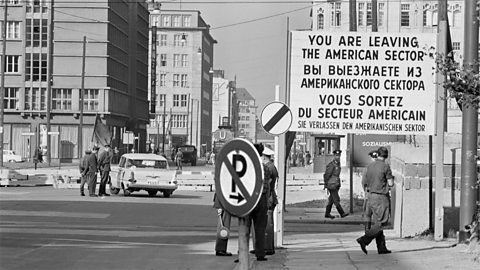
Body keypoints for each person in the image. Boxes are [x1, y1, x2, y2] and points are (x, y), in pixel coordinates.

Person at [356, 146, 394, 255]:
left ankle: (381, 247)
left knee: (377, 222)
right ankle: (364, 239)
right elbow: (390, 183)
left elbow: (365, 181)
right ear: (386, 156)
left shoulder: (370, 166)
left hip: (371, 196)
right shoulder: (385, 167)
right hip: (381, 197)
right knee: (382, 223)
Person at [245, 143, 269, 261]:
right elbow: (268, 184)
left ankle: (242, 253)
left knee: (244, 227)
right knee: (260, 228)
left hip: (248, 199)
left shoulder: (246, 165)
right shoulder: (264, 167)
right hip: (262, 198)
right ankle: (260, 253)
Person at [323, 149, 348, 219]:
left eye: (339, 155)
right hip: (332, 185)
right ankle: (342, 213)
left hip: (335, 184)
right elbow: (327, 175)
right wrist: (326, 184)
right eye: (336, 155)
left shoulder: (338, 164)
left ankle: (327, 213)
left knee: (331, 199)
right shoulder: (332, 165)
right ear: (334, 156)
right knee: (336, 199)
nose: (338, 157)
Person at [263, 149, 278, 255]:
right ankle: (267, 246)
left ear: (264, 157)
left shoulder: (268, 167)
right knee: (268, 223)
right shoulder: (272, 166)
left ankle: (268, 248)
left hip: (269, 197)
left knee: (268, 224)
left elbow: (267, 184)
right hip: (271, 196)